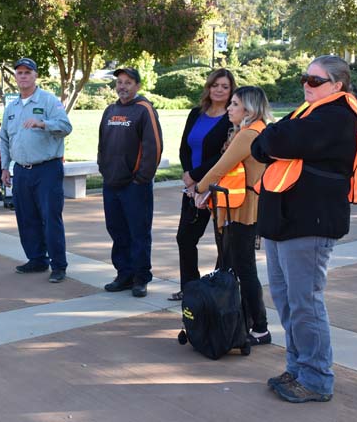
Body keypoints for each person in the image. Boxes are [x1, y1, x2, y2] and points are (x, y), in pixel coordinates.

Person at [251, 55, 357, 403]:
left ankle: (317, 379)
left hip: (309, 222)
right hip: (285, 221)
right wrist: (273, 138)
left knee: (305, 302)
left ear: (337, 85)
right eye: (305, 77)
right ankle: (298, 368)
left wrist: (274, 138)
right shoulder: (307, 113)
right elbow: (261, 145)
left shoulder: (337, 115)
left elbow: (273, 142)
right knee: (287, 300)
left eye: (316, 80)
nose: (307, 84)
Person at [192, 86, 272, 345]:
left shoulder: (248, 134)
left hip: (243, 207)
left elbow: (220, 168)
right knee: (235, 263)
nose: (229, 108)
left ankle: (259, 327)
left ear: (248, 109)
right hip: (245, 203)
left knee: (243, 266)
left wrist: (198, 188)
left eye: (234, 104)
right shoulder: (258, 129)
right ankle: (241, 320)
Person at [0, 58, 72, 283]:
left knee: (51, 218)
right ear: (15, 77)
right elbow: (4, 139)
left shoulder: (48, 101)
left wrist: (43, 124)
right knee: (26, 217)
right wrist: (4, 167)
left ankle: (58, 265)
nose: (23, 76)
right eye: (19, 72)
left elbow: (66, 127)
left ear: (35, 76)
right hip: (21, 170)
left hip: (47, 169)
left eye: (27, 72)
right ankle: (37, 259)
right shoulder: (11, 107)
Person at [170, 68, 235, 301]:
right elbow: (184, 147)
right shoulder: (196, 113)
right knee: (185, 238)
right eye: (215, 85)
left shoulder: (232, 117)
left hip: (217, 188)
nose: (218, 90)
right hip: (192, 188)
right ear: (208, 87)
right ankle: (190, 288)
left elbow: (224, 155)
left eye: (224, 87)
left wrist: (196, 174)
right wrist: (188, 174)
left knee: (224, 242)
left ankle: (220, 290)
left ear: (231, 91)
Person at [98, 67, 162, 298]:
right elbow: (102, 144)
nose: (123, 86)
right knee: (117, 230)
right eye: (120, 82)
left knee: (138, 232)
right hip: (111, 183)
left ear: (137, 86)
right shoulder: (110, 110)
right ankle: (124, 274)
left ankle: (140, 277)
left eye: (128, 82)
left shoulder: (144, 110)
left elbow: (153, 147)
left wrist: (141, 179)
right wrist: (103, 169)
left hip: (135, 186)